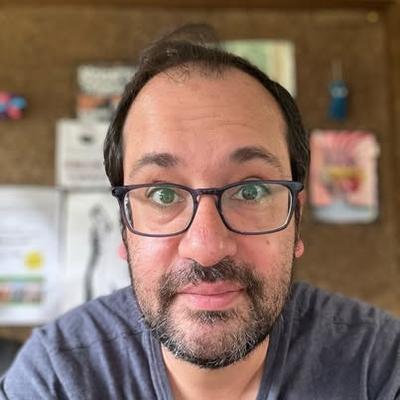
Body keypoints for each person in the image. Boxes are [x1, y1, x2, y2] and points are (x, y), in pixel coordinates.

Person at [1, 24, 399, 400]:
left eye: (251, 190)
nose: (206, 248)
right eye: (162, 194)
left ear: (296, 220)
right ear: (125, 226)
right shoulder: (56, 378)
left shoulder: (380, 368)